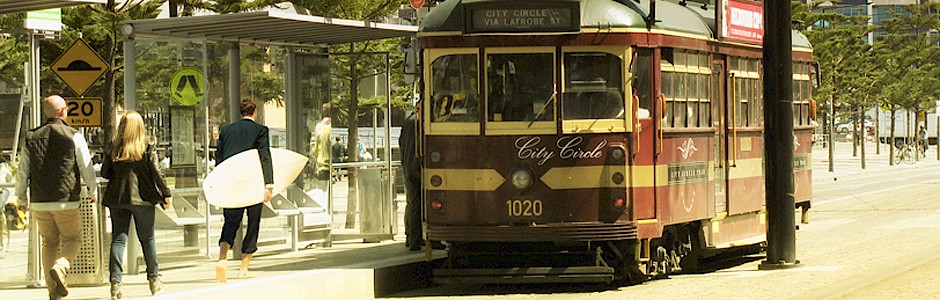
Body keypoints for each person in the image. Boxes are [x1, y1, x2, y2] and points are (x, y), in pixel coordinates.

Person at [15, 95, 98, 300]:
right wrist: (93, 189)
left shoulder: (30, 136)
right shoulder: (73, 135)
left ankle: (53, 291)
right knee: (73, 239)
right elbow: (85, 165)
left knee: (49, 242)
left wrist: (21, 197)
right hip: (66, 199)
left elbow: (22, 170)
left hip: (39, 201)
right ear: (63, 112)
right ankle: (61, 267)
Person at [100, 111, 172, 299]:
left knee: (118, 239)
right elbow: (157, 172)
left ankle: (115, 282)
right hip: (143, 199)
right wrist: (166, 194)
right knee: (147, 239)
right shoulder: (147, 147)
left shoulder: (113, 147)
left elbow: (105, 173)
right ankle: (154, 280)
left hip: (118, 199)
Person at [214, 99, 274, 283]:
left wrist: (221, 183)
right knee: (253, 223)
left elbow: (219, 159)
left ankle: (222, 260)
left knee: (230, 222)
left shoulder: (226, 131)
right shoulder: (260, 130)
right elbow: (265, 156)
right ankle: (243, 268)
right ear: (254, 112)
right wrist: (269, 184)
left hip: (232, 183)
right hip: (253, 183)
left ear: (241, 112)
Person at [400, 106, 423, 251]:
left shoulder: (408, 122)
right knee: (418, 205)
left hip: (408, 166)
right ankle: (416, 240)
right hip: (417, 167)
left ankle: (410, 236)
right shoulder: (420, 123)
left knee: (411, 203)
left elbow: (401, 142)